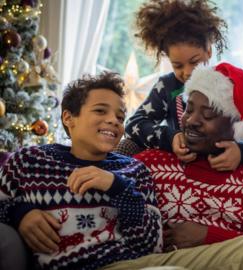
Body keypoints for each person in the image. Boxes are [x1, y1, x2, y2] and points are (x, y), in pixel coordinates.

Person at [134, 62, 243, 255]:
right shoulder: (150, 165)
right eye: (189, 110)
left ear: (237, 126)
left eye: (208, 115)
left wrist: (209, 237)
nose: (191, 121)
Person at [0, 72, 163, 269]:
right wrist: (20, 214)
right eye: (101, 111)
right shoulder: (28, 161)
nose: (114, 120)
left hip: (133, 263)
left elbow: (152, 246)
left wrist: (117, 187)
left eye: (120, 117)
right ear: (69, 118)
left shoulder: (136, 171)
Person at [123, 0, 243, 171]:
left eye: (194, 61)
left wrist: (242, 151)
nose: (187, 72)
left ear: (209, 50)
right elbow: (134, 123)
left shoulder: (230, 84)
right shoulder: (167, 86)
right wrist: (170, 137)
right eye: (177, 65)